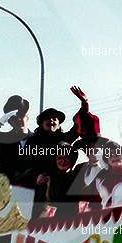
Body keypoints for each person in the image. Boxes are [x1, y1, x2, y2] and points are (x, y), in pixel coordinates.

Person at [21, 86, 99, 216]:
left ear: (59, 123)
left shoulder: (64, 139)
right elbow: (26, 164)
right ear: (41, 123)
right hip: (42, 185)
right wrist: (37, 176)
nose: (51, 120)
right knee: (39, 216)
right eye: (48, 118)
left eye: (54, 119)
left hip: (63, 185)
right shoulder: (34, 142)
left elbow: (78, 126)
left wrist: (84, 104)